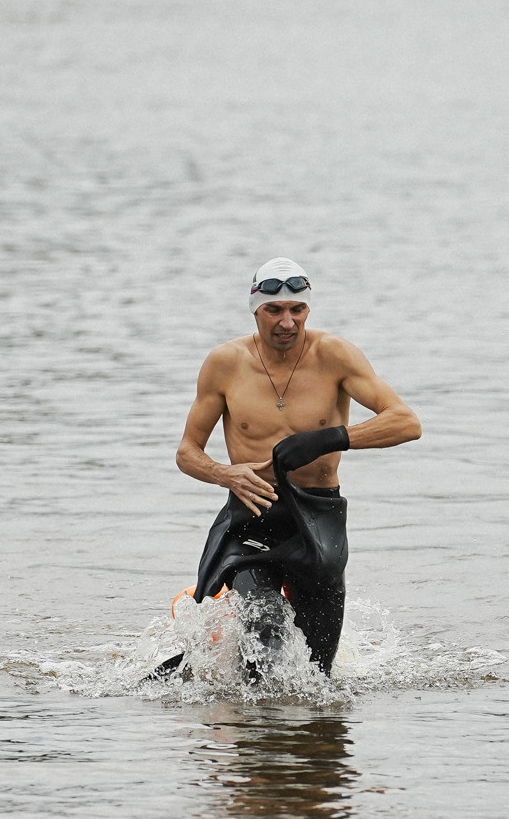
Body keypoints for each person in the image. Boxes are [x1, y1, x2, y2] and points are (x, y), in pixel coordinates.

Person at [173, 258, 421, 674]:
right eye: (274, 311)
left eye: (297, 310)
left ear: (308, 309)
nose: (287, 322)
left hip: (318, 517)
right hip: (253, 514)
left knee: (317, 673)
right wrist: (224, 473)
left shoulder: (334, 355)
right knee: (265, 630)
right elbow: (187, 452)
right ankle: (252, 725)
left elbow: (406, 422)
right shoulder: (225, 363)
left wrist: (328, 438)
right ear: (255, 310)